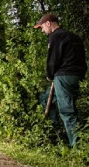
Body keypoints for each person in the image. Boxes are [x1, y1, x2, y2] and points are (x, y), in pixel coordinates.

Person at [34, 13, 87, 147]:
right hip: (78, 76)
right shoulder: (74, 36)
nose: (42, 31)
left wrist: (49, 75)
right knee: (46, 99)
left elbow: (53, 60)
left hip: (64, 77)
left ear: (48, 23)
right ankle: (56, 135)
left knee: (67, 111)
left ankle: (77, 148)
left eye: (42, 27)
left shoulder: (55, 36)